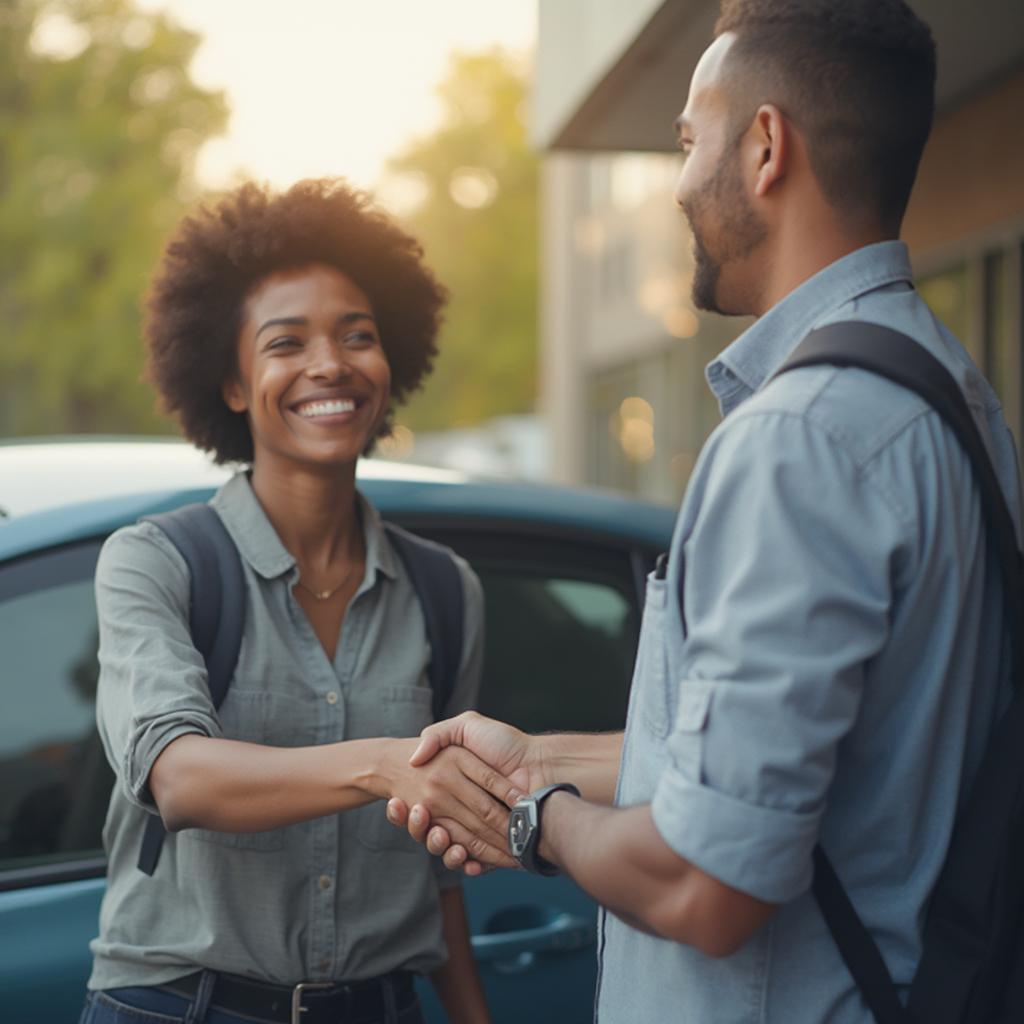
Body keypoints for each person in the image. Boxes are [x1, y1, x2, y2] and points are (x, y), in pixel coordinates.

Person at [387, 1, 1024, 1021]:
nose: (678, 185)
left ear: (766, 147)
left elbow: (706, 880)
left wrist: (530, 817)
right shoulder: (954, 395)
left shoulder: (798, 439)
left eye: (688, 141)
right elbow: (803, 765)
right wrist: (537, 756)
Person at [82, 179, 518, 1024]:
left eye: (358, 336)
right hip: (179, 1009)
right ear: (235, 384)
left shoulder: (443, 591)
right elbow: (178, 778)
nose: (331, 364)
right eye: (288, 342)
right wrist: (382, 763)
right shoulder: (154, 563)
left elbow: (440, 857)